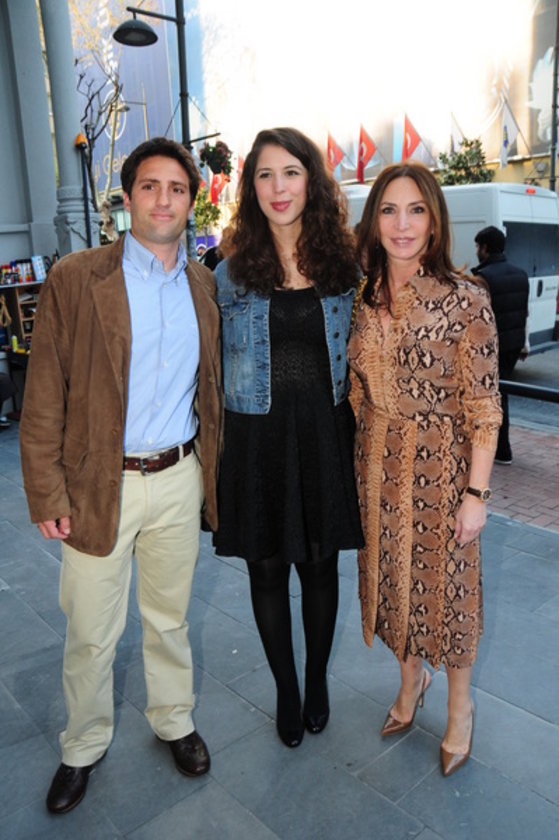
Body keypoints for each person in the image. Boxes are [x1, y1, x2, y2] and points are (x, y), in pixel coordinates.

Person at [19, 137, 222, 814]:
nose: (164, 200)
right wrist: (46, 491)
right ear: (128, 198)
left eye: (177, 188)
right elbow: (43, 393)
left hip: (178, 476)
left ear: (191, 202)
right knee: (90, 630)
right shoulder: (78, 278)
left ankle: (173, 719)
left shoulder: (202, 285)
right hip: (96, 485)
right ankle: (82, 745)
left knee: (168, 619)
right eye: (150, 186)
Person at [348, 162, 502, 777]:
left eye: (416, 210)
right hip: (377, 471)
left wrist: (476, 493)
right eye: (389, 210)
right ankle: (411, 682)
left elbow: (485, 405)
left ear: (434, 221)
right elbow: (356, 391)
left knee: (452, 595)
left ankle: (460, 707)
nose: (402, 224)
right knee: (392, 586)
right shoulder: (363, 297)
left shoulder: (467, 298)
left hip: (442, 475)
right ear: (374, 221)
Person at [213, 127, 363, 748]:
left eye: (291, 172)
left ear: (312, 182)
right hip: (256, 440)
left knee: (321, 565)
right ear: (251, 187)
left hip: (324, 434)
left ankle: (317, 679)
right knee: (267, 569)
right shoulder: (227, 274)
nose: (279, 187)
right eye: (265, 175)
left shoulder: (345, 269)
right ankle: (285, 687)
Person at [471, 225, 529, 464]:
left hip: (491, 347)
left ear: (485, 248)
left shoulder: (483, 278)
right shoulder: (521, 274)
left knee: (491, 397)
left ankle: (501, 450)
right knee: (501, 393)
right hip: (513, 344)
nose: (476, 250)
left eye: (478, 246)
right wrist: (524, 344)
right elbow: (524, 313)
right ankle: (499, 448)